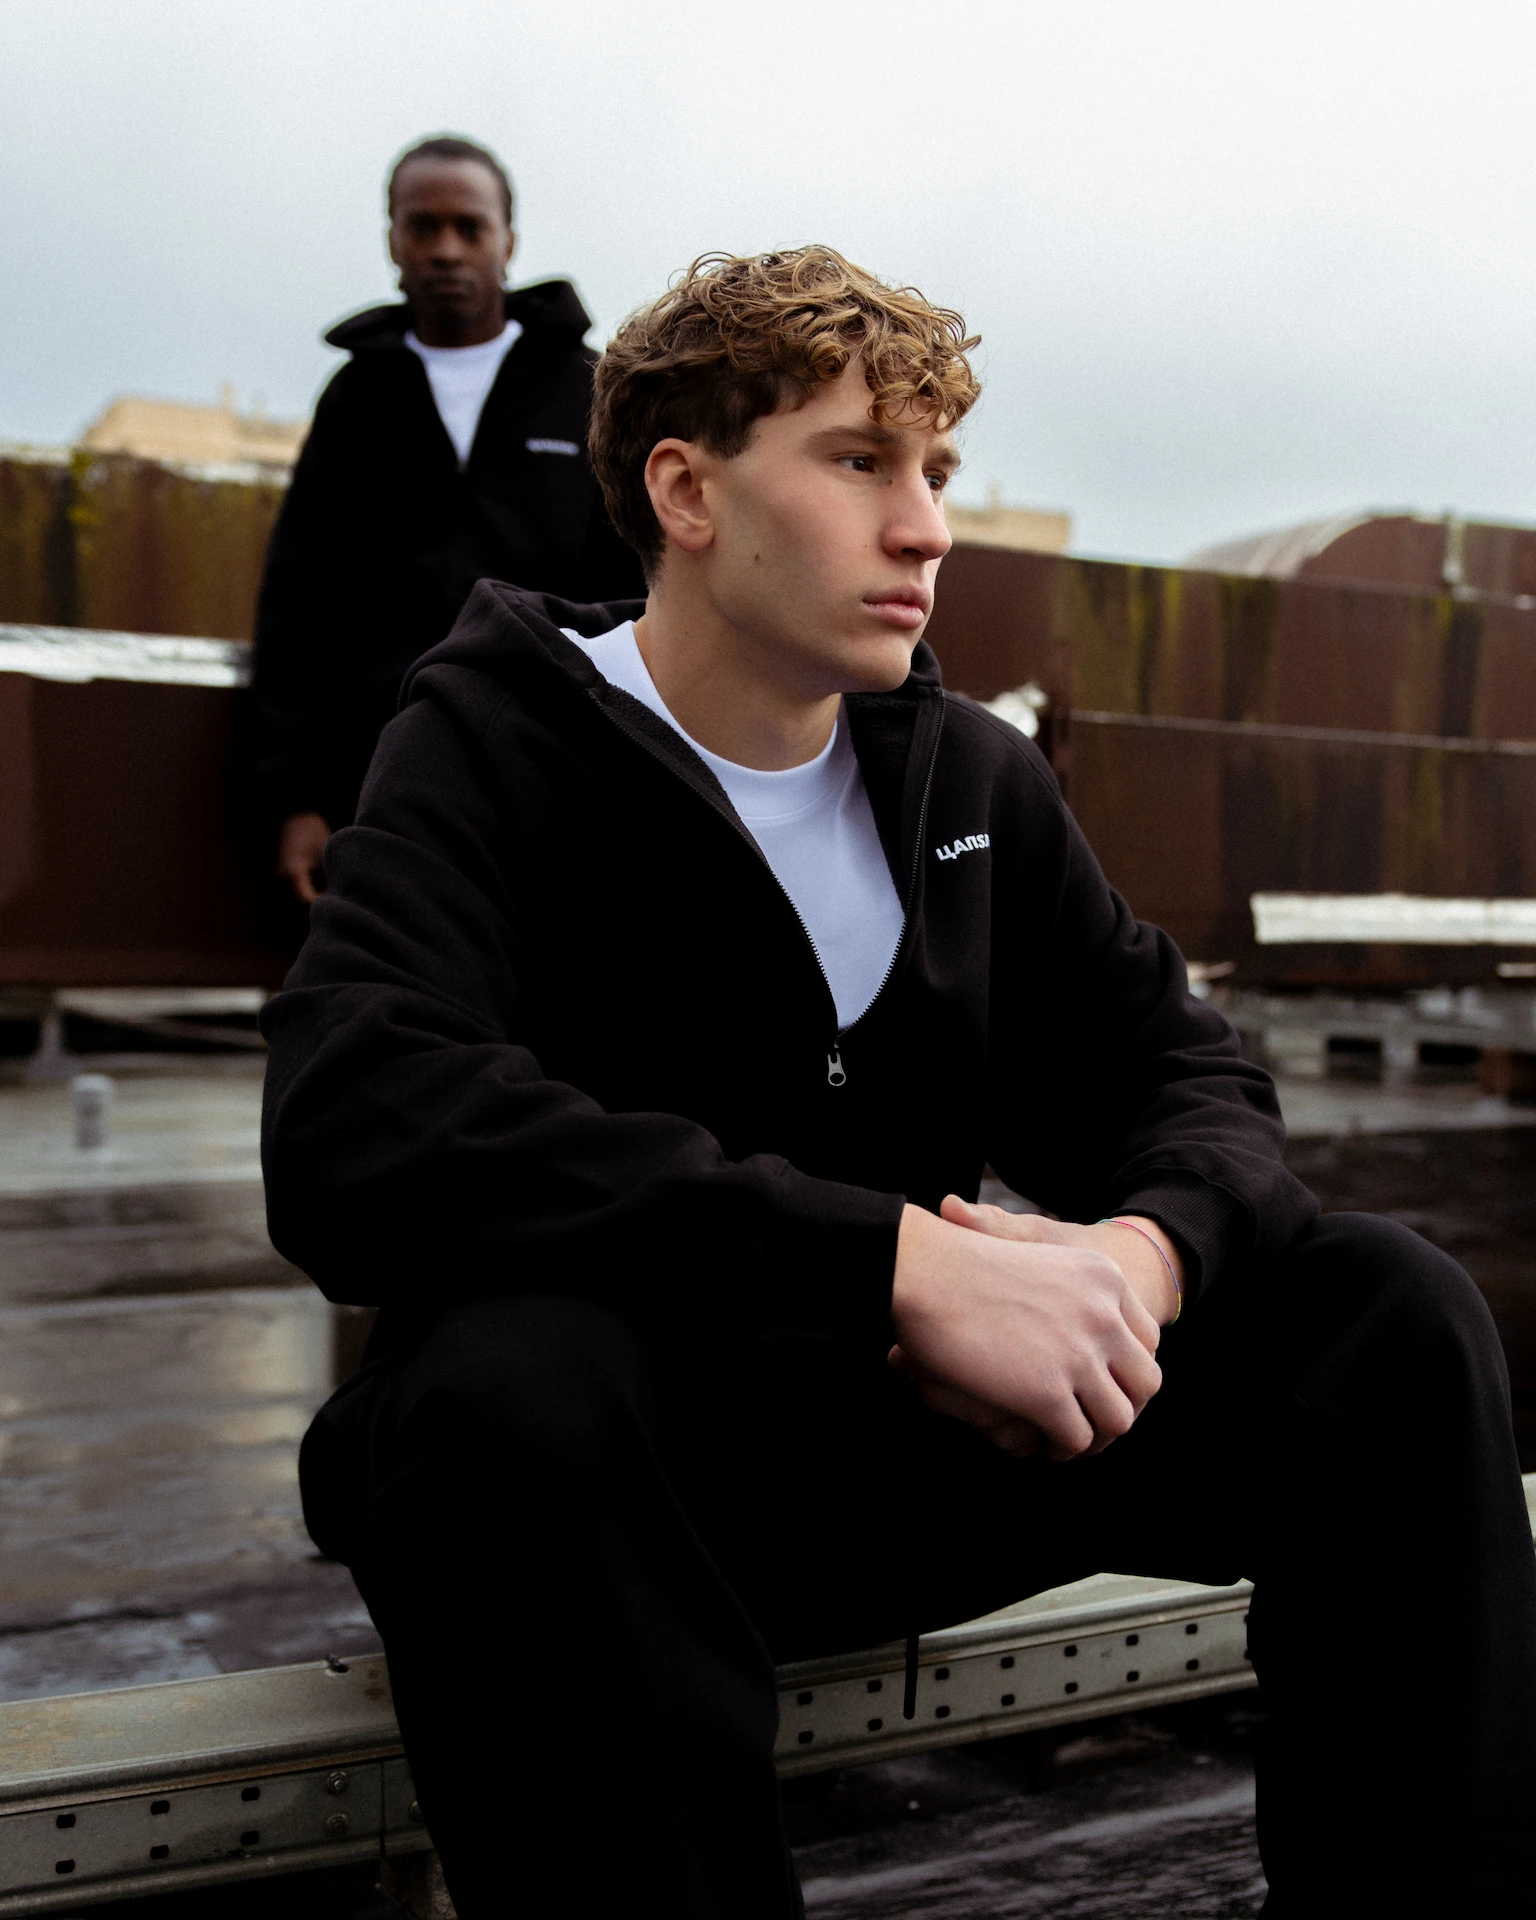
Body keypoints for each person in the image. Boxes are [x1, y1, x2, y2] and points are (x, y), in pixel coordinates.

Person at [261, 247, 1536, 1917]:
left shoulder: (970, 782)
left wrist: (1129, 1263)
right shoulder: (494, 743)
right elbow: (354, 1123)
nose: (925, 525)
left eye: (933, 469)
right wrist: (889, 1260)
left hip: (914, 1459)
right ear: (687, 491)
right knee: (509, 1381)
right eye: (860, 462)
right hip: (615, 1514)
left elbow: (1188, 1077)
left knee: (1385, 1310)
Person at [248, 133, 643, 905]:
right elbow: (298, 606)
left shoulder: (588, 391)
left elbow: (636, 595)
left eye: (470, 227)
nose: (445, 249)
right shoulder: (357, 397)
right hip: (375, 781)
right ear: (393, 241)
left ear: (509, 242)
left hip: (548, 776)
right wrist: (294, 801)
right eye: (421, 227)